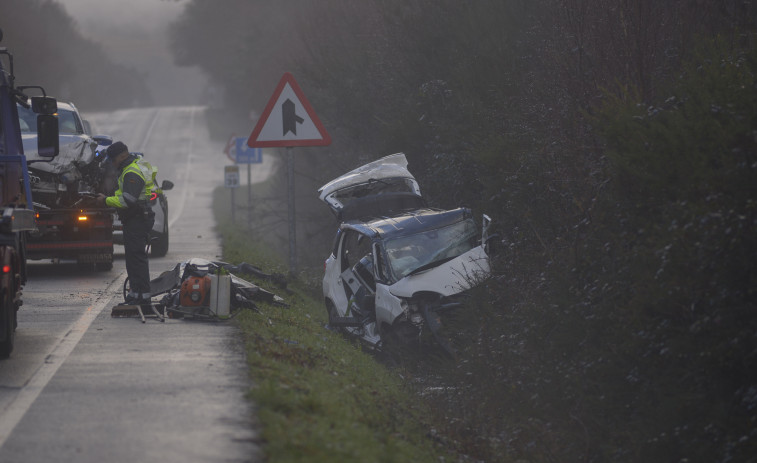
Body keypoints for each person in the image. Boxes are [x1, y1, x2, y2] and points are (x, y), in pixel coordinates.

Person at [96, 141, 155, 305]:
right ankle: (135, 294)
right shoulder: (129, 169)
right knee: (132, 258)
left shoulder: (131, 172)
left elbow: (128, 199)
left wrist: (106, 200)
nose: (113, 164)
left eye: (114, 160)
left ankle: (143, 297)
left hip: (137, 219)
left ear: (122, 156)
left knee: (137, 258)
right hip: (134, 219)